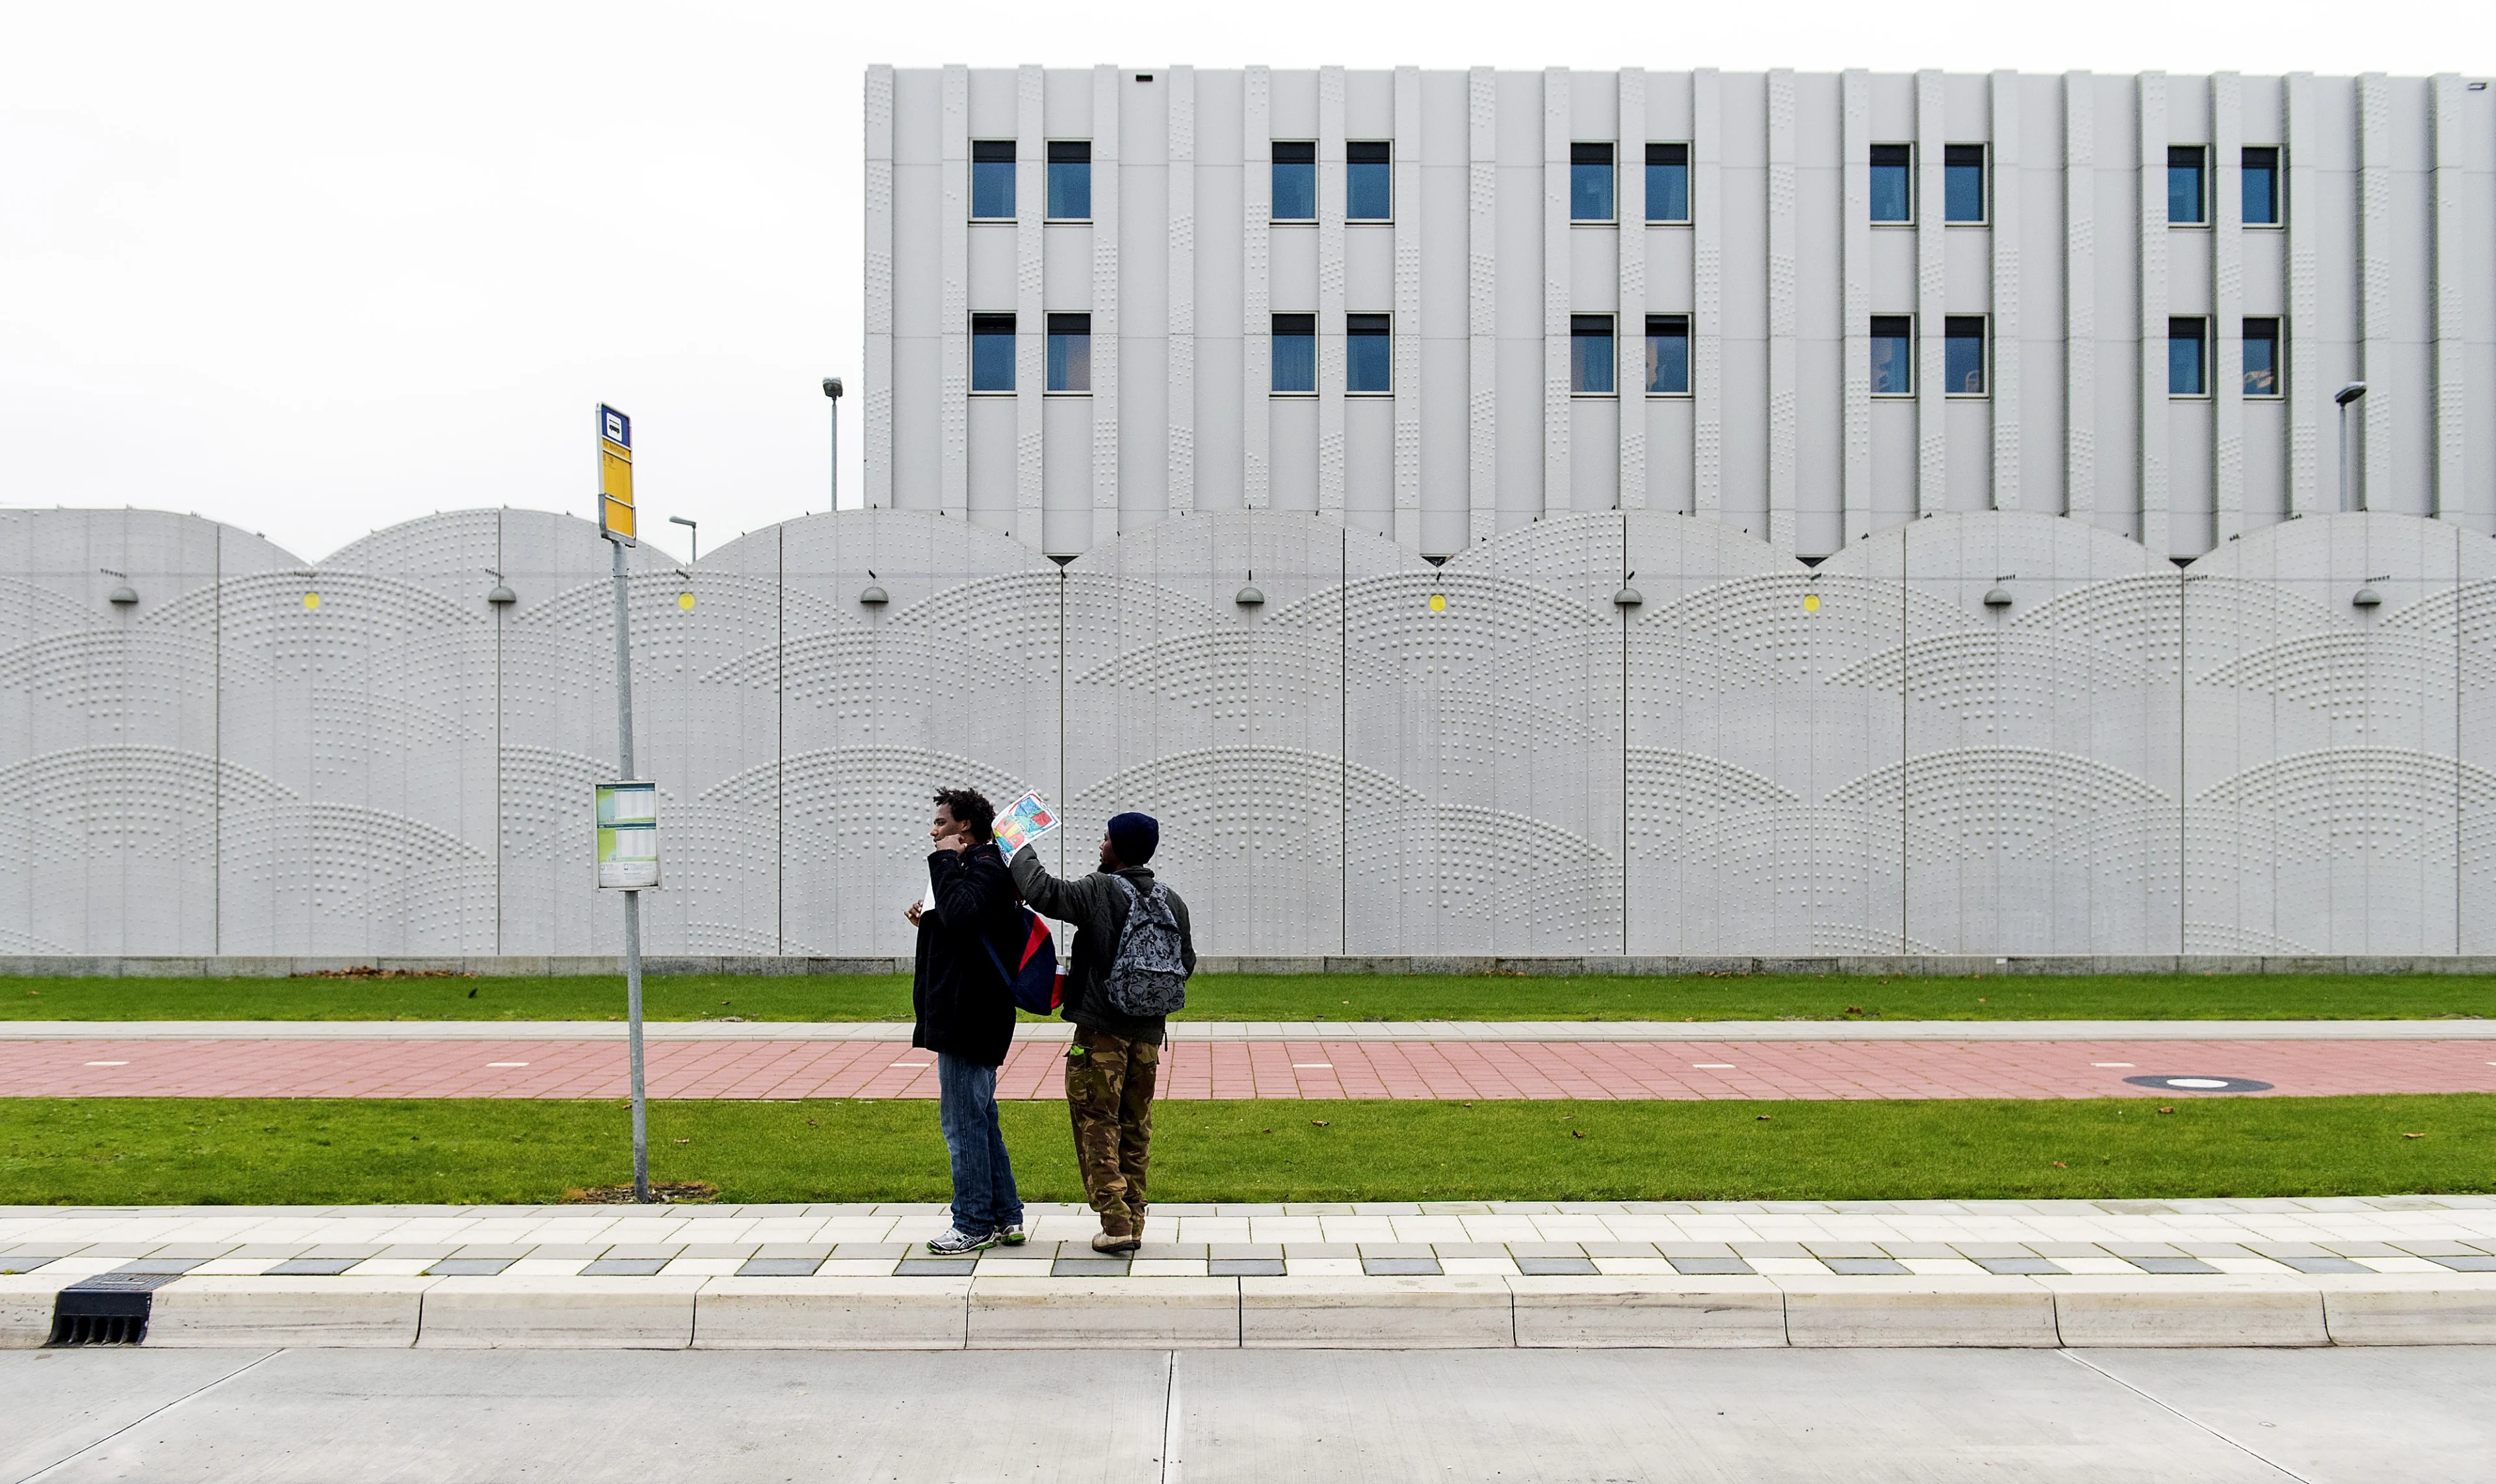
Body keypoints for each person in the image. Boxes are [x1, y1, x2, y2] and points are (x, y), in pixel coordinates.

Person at [1008, 811, 1195, 1253]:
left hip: (1101, 1034)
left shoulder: (1100, 891)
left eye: (1106, 838)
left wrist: (1018, 845)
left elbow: (1043, 891)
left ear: (1120, 847)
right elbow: (1185, 962)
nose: (1100, 844)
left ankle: (1115, 1222)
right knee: (1136, 1126)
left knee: (1096, 1121)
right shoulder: (1174, 901)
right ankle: (1135, 1217)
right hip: (1149, 1035)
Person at [906, 787, 1028, 1254]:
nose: (933, 830)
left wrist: (944, 861)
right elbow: (963, 926)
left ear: (965, 828)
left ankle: (972, 1221)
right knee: (981, 1117)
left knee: (962, 1123)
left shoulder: (983, 865)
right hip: (971, 1009)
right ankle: (1005, 1215)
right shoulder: (980, 868)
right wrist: (929, 920)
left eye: (941, 823)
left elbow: (961, 912)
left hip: (969, 1014)